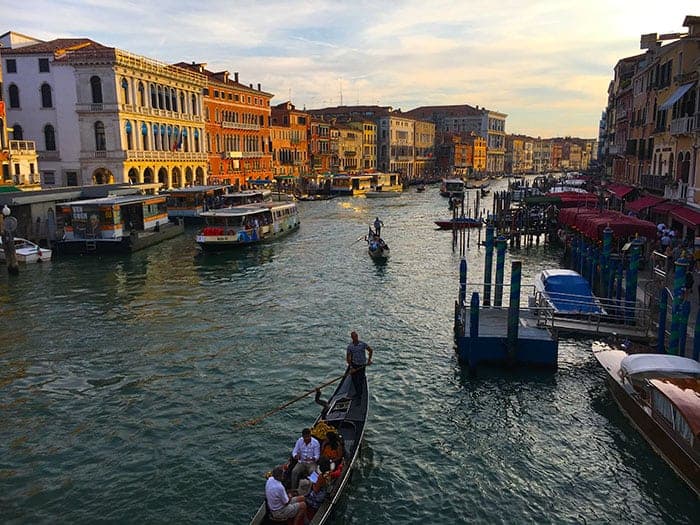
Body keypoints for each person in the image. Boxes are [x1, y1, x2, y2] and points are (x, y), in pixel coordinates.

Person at [346, 331, 373, 398]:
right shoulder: (350, 346)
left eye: (356, 336)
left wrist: (369, 360)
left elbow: (370, 350)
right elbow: (348, 358)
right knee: (354, 379)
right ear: (352, 338)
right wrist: (351, 367)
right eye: (353, 337)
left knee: (360, 379)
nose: (355, 338)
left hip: (362, 365)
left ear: (357, 336)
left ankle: (359, 394)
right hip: (354, 364)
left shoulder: (363, 344)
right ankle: (357, 392)